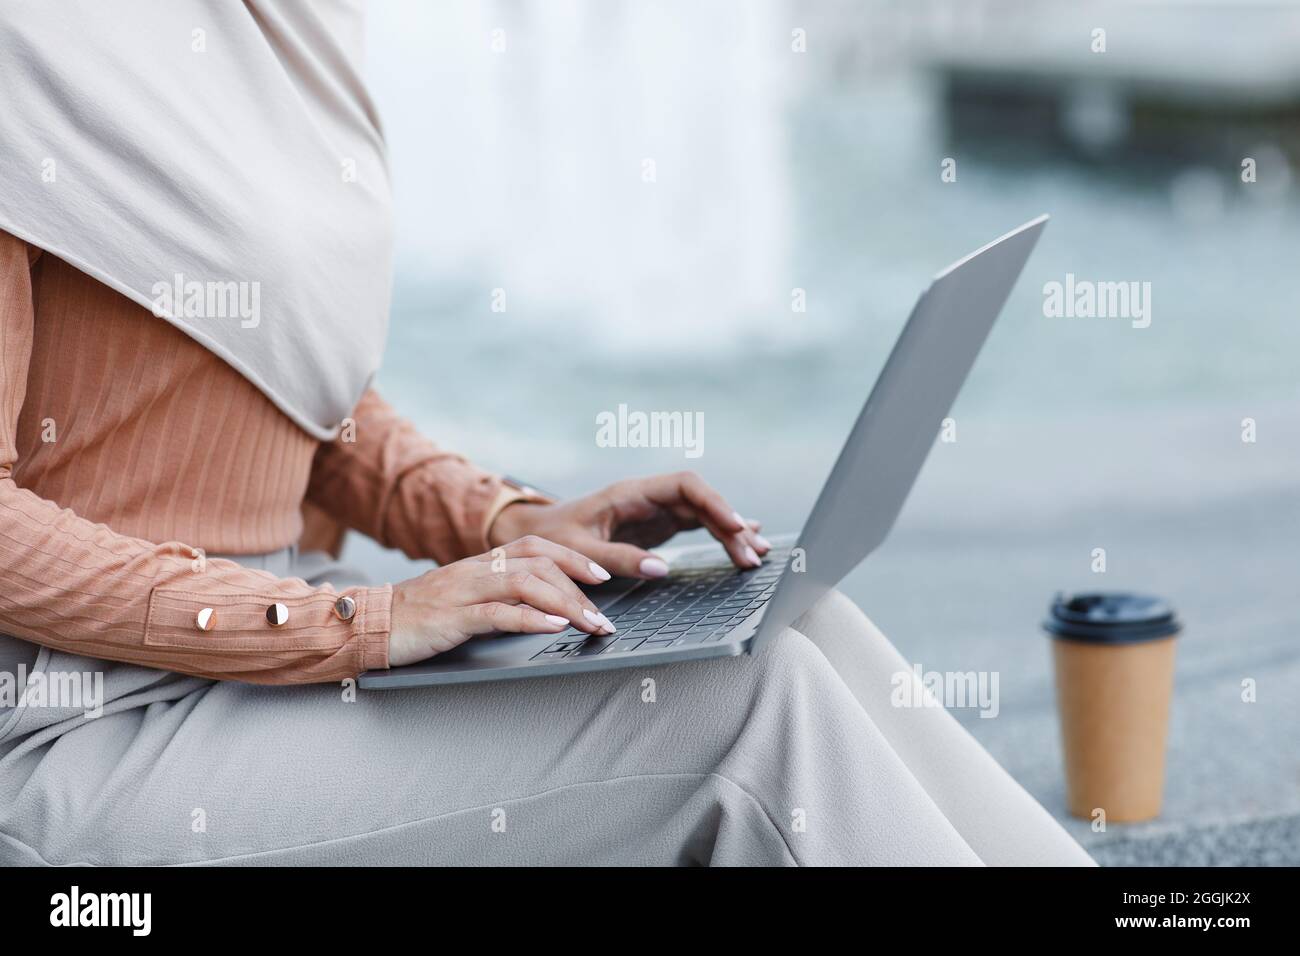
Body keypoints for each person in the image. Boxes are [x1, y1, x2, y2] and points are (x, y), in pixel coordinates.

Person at [0, 1, 1091, 866]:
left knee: (801, 626)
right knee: (744, 713)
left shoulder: (274, 28)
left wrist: (501, 516)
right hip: (84, 730)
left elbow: (301, 385)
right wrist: (359, 620)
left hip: (266, 667)